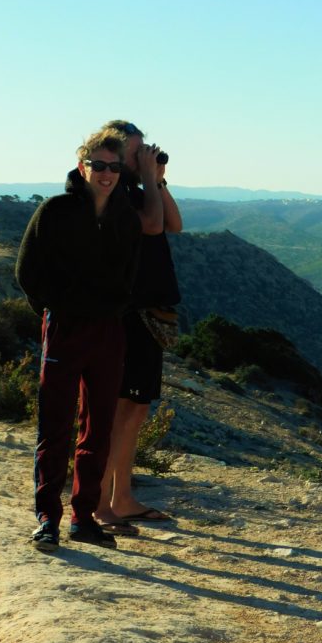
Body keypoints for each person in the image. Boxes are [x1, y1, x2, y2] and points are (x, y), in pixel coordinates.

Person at [16, 128, 143, 552]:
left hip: (108, 331)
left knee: (98, 427)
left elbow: (131, 273)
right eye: (99, 166)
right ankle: (47, 519)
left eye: (114, 167)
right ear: (81, 165)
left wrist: (113, 308)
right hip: (66, 328)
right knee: (55, 426)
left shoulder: (126, 217)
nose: (107, 174)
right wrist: (56, 310)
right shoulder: (55, 211)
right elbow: (27, 271)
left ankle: (83, 517)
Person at [94, 120, 183, 535]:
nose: (141, 157)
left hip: (148, 312)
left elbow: (174, 224)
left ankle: (121, 497)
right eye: (135, 153)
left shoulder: (138, 189)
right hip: (130, 313)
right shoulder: (114, 193)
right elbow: (151, 225)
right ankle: (100, 501)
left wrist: (158, 182)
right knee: (119, 409)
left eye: (142, 150)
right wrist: (147, 178)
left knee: (136, 408)